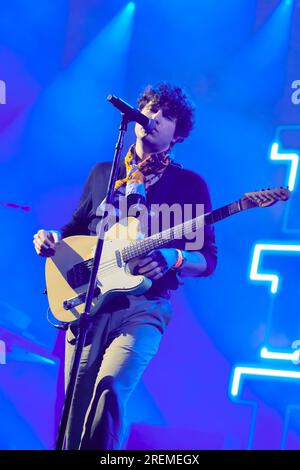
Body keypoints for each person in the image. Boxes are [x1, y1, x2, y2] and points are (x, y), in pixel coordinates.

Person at [33, 83, 218, 450]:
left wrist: (174, 257)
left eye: (164, 115)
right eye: (148, 107)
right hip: (89, 300)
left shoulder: (189, 186)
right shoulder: (105, 172)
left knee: (110, 391)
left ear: (178, 134)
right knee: (72, 403)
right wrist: (51, 238)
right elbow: (75, 230)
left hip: (144, 308)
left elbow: (208, 260)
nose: (152, 116)